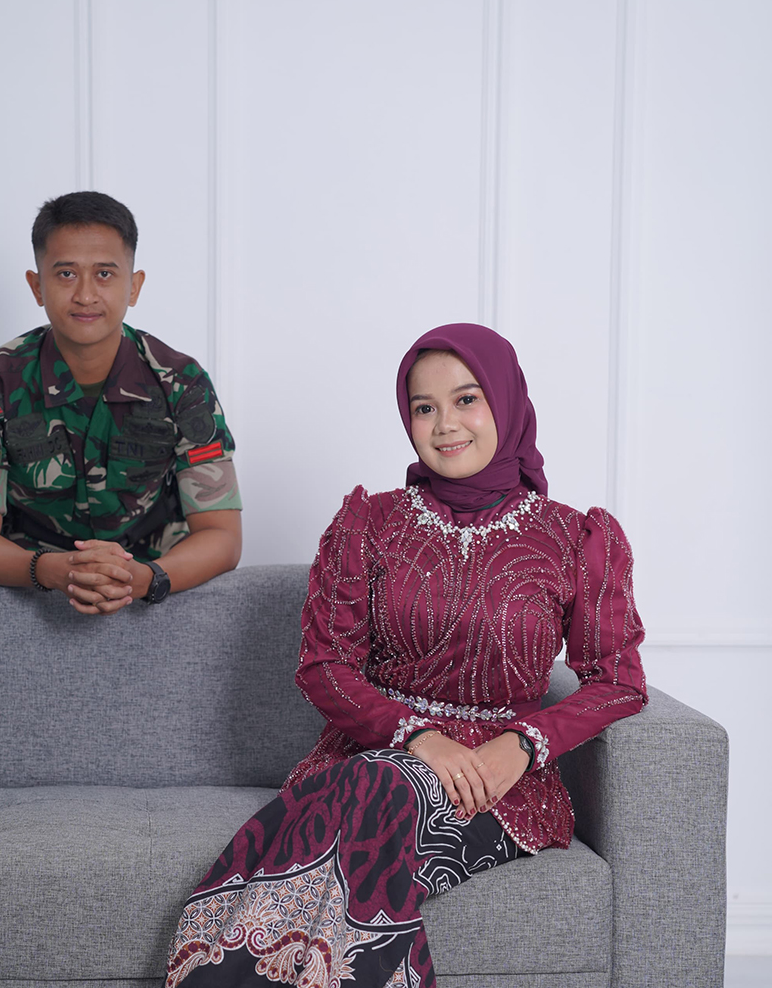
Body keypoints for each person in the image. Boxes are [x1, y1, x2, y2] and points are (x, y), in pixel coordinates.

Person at [164, 323, 646, 986]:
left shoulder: (575, 537)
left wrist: (522, 745)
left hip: (495, 783)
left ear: (507, 402)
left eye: (467, 400)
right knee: (380, 786)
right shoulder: (369, 523)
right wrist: (416, 737)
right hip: (372, 757)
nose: (445, 425)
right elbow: (324, 664)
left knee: (369, 803)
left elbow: (619, 681)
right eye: (424, 407)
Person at [0, 191, 242, 614]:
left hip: (159, 600)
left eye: (104, 274)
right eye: (66, 274)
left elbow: (222, 534)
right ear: (37, 286)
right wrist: (53, 571)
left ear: (134, 286)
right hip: (30, 602)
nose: (85, 295)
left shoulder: (181, 383)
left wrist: (145, 578)